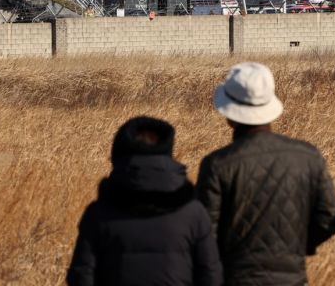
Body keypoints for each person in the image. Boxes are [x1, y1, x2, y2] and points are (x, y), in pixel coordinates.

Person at [197, 62, 335, 285]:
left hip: (236, 278)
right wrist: (295, 247)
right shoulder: (308, 156)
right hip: (293, 278)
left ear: (230, 114)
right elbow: (329, 218)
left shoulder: (217, 164)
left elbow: (205, 232)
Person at [67, 116, 223, 286]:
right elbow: (211, 276)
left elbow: (81, 275)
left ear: (118, 155)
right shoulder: (194, 213)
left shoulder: (98, 213)